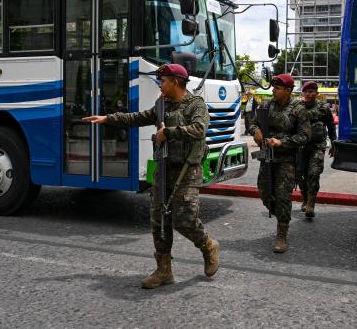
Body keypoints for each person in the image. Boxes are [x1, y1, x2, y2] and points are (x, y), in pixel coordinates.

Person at [82, 64, 219, 289]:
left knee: (184, 219)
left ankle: (208, 246)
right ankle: (164, 270)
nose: (160, 84)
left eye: (163, 80)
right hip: (163, 167)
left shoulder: (196, 104)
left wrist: (169, 132)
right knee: (159, 220)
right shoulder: (161, 106)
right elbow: (137, 117)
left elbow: (199, 129)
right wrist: (107, 119)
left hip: (187, 170)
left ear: (175, 81)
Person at [248, 74, 311, 253]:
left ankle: (282, 233)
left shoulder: (299, 109)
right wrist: (256, 131)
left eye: (277, 88)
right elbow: (252, 122)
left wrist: (282, 142)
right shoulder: (267, 105)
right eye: (273, 87)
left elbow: (305, 135)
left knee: (283, 196)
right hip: (267, 156)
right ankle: (283, 216)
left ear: (288, 91)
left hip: (287, 159)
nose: (273, 90)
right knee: (265, 193)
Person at [299, 81, 337, 218]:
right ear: (303, 93)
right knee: (300, 175)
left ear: (317, 93)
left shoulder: (324, 108)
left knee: (313, 174)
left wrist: (334, 142)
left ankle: (310, 203)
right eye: (307, 92)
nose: (309, 94)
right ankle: (305, 198)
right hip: (300, 147)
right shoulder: (298, 107)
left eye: (312, 91)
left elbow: (331, 126)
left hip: (318, 146)